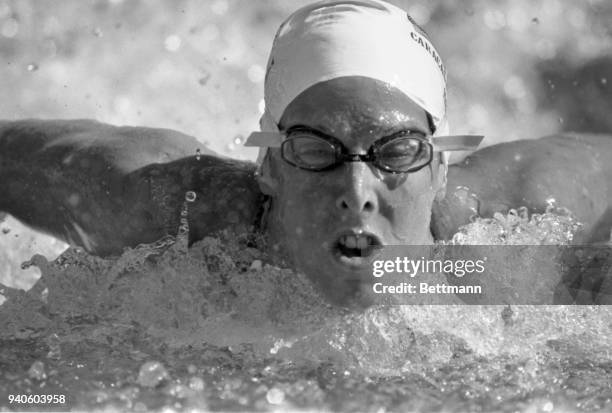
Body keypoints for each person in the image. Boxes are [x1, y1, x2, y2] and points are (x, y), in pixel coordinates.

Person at [1, 0, 611, 303]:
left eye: (397, 151)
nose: (355, 188)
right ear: (266, 164)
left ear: (441, 167)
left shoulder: (513, 225)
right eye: (316, 150)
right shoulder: (161, 208)